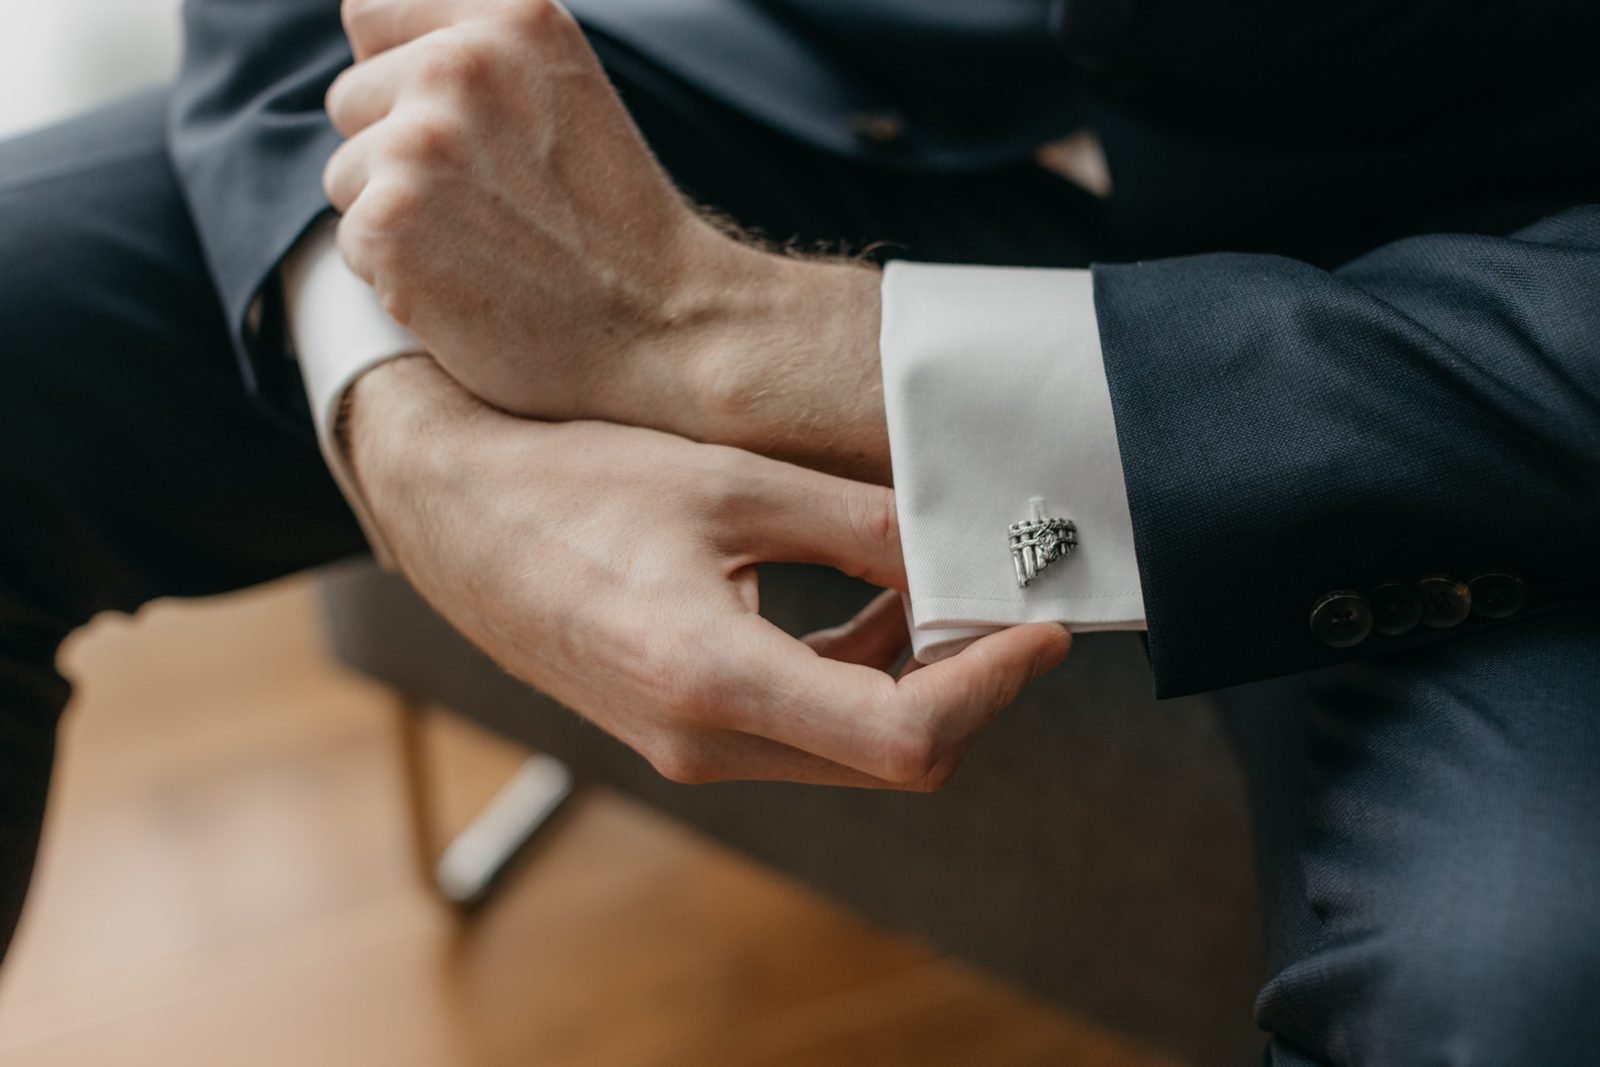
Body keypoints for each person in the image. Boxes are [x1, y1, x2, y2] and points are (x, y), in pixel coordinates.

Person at [2, 0, 1597, 1060]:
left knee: (1517, 1000)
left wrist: (734, 332)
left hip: (1502, 263)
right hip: (843, 82)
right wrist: (416, 442)